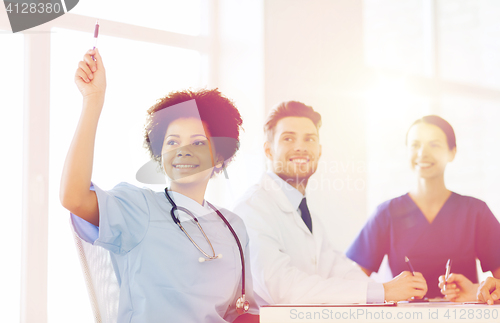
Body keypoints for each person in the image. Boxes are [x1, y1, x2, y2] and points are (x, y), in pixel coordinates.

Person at [60, 48, 259, 322]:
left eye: (198, 143)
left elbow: (242, 311)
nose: (183, 151)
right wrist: (93, 101)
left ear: (220, 159)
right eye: (172, 142)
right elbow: (74, 197)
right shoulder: (138, 208)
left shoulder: (233, 228)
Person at [233, 101, 427, 305]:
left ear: (319, 151)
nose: (300, 147)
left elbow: (339, 270)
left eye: (309, 139)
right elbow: (283, 289)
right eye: (288, 138)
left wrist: (396, 290)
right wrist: (382, 291)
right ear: (268, 151)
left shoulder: (307, 216)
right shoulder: (252, 209)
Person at [346, 115, 500, 298]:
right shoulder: (386, 213)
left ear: (452, 152)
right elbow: (351, 286)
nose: (422, 153)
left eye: (434, 144)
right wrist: (389, 290)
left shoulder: (476, 212)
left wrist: (477, 291)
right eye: (415, 145)